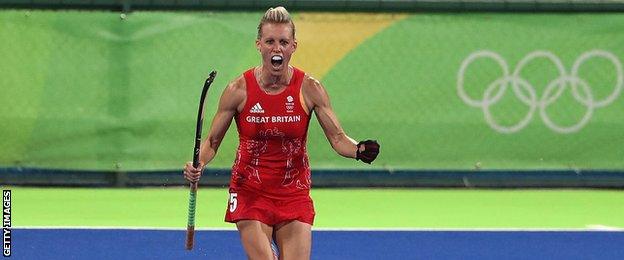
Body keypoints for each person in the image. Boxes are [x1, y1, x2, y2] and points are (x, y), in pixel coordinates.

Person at [183, 6, 380, 260]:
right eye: (270, 42)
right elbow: (211, 142)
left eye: (283, 42)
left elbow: (338, 138)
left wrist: (359, 150)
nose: (277, 48)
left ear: (293, 46)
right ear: (259, 45)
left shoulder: (310, 89)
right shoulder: (238, 90)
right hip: (249, 192)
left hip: (293, 194)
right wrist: (198, 163)